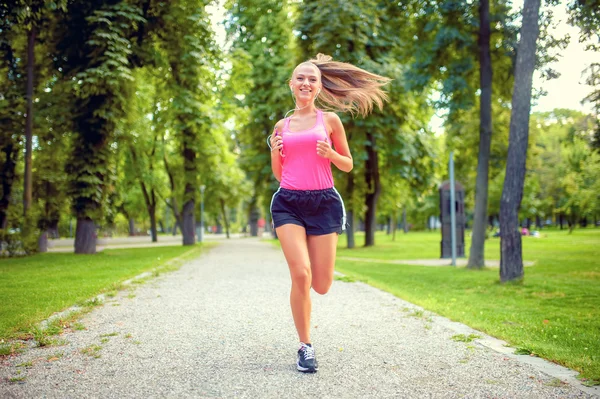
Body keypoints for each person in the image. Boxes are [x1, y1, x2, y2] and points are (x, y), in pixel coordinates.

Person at [268, 54, 390, 373]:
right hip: (288, 203)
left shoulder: (330, 121)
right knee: (301, 274)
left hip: (324, 203)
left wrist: (331, 153)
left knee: (321, 284)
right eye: (300, 78)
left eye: (312, 79)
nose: (306, 83)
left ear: (319, 87)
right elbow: (280, 175)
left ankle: (305, 316)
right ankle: (305, 347)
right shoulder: (282, 126)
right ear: (291, 85)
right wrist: (274, 152)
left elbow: (348, 165)